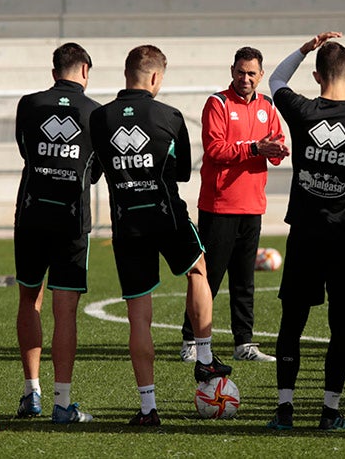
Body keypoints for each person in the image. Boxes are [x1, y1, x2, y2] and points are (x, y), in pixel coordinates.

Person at [90, 45, 231, 426]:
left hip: (126, 222)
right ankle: (203, 359)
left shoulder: (99, 118)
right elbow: (183, 171)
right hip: (166, 215)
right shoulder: (169, 115)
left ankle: (149, 409)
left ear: (127, 73)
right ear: (155, 77)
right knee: (198, 270)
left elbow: (94, 172)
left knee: (139, 314)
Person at [265, 32, 345, 432]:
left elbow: (275, 81)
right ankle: (329, 412)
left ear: (317, 76)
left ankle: (284, 410)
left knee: (292, 322)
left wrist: (304, 47)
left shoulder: (303, 111)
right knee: (341, 326)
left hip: (306, 235)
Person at [180, 47, 288, 364]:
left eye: (251, 73)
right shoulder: (218, 103)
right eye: (240, 71)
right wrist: (256, 147)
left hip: (252, 205)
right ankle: (190, 340)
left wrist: (278, 151)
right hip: (219, 205)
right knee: (208, 278)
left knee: (244, 280)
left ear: (261, 75)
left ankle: (244, 344)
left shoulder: (268, 106)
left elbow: (277, 143)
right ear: (232, 71)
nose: (245, 78)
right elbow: (215, 149)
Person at [13, 43, 101, 423]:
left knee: (29, 301)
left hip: (32, 213)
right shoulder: (95, 112)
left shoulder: (28, 104)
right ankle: (62, 403)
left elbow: (25, 152)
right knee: (65, 312)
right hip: (71, 218)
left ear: (54, 73)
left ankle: (31, 393)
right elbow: (94, 170)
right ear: (84, 70)